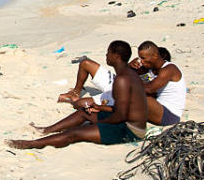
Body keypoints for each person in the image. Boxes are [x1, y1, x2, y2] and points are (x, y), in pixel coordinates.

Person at [8, 41, 147, 149]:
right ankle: (46, 130)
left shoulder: (122, 80)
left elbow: (121, 115)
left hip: (131, 131)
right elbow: (121, 109)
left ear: (116, 56)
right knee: (84, 112)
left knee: (74, 133)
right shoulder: (127, 75)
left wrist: (99, 123)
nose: (106, 55)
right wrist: (98, 107)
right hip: (125, 120)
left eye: (108, 52)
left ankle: (32, 144)